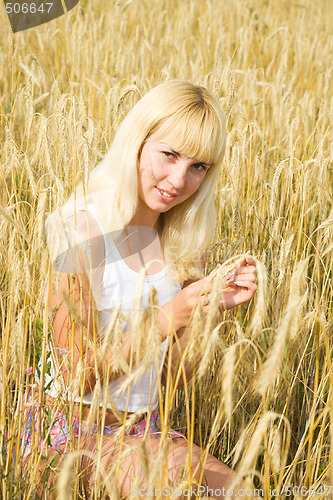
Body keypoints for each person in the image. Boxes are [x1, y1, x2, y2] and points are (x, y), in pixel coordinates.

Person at [24, 80, 257, 498]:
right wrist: (173, 313)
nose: (178, 179)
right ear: (138, 140)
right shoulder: (82, 226)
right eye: (168, 154)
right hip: (66, 436)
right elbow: (77, 375)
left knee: (239, 491)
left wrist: (206, 310)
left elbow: (171, 380)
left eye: (198, 167)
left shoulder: (184, 244)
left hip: (147, 431)